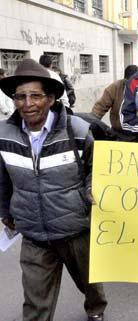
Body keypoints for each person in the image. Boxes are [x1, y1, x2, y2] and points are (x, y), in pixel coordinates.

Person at [0, 59, 107, 321]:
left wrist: (92, 189)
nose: (27, 103)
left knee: (90, 283)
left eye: (35, 96)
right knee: (35, 306)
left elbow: (99, 170)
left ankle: (96, 309)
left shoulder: (78, 130)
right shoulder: (4, 134)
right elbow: (2, 178)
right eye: (20, 97)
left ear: (50, 99)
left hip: (76, 229)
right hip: (34, 234)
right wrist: (5, 211)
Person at [91, 64, 138, 140]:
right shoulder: (115, 87)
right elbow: (100, 108)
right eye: (128, 82)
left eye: (134, 83)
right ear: (124, 79)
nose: (131, 85)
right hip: (118, 134)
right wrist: (92, 122)